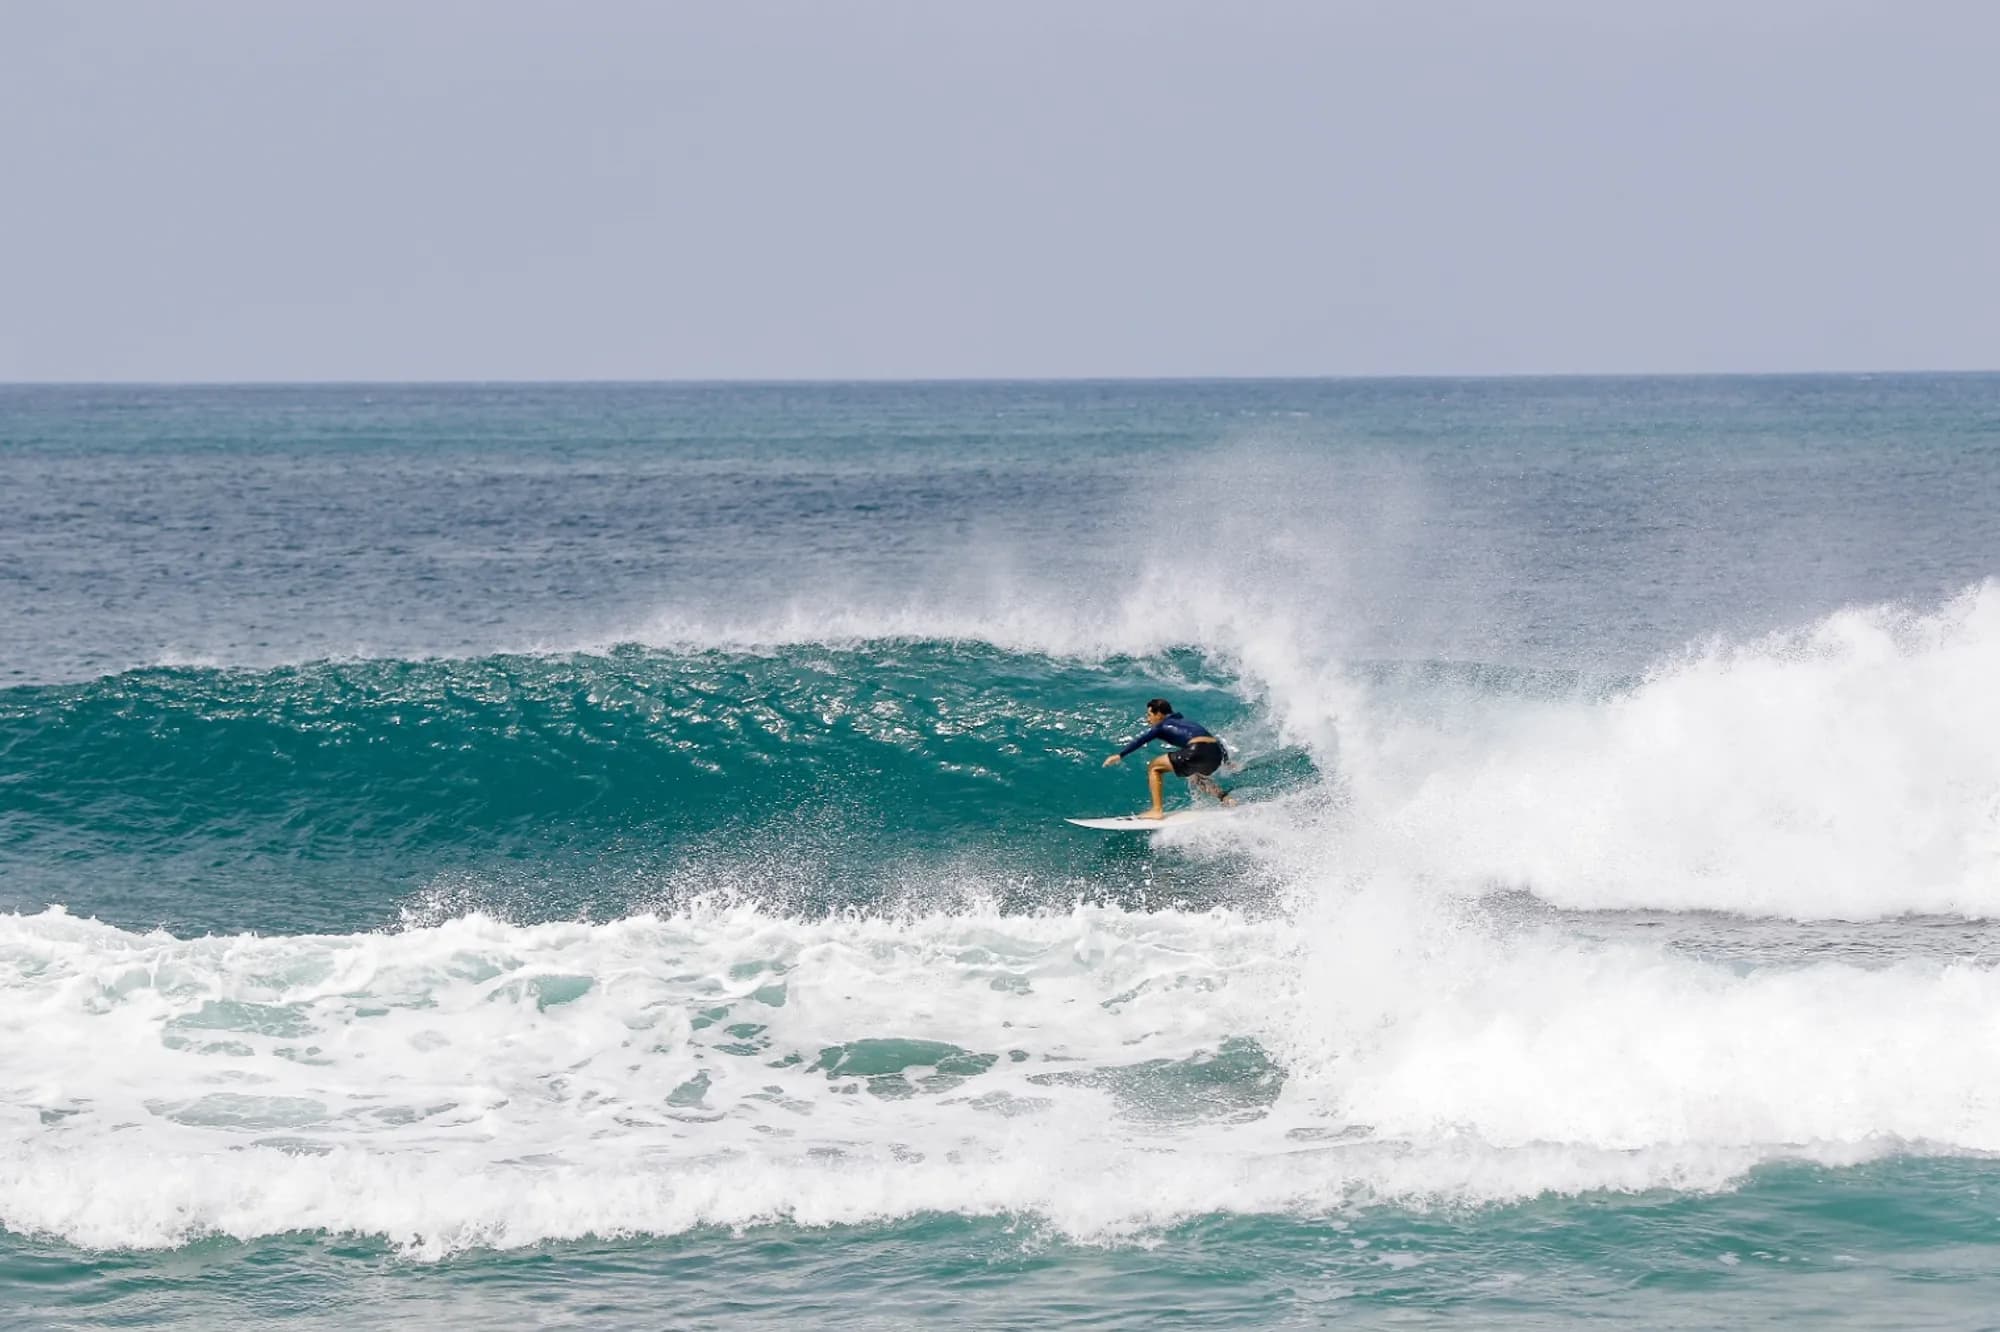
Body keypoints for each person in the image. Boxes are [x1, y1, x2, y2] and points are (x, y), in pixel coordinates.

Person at [1101, 697, 1235, 819]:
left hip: (1196, 750)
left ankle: (1156, 810)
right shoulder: (1187, 723)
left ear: (1159, 714)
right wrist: (1227, 762)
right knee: (1196, 776)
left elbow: (1141, 740)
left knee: (1154, 766)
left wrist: (1120, 755)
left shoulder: (1162, 726)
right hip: (1215, 754)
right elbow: (1216, 741)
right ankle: (1225, 798)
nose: (1148, 719)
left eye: (1149, 715)